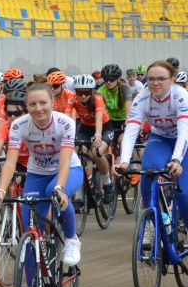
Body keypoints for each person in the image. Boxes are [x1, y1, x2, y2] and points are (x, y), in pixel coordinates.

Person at [0, 82, 84, 281]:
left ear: (52, 102)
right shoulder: (19, 125)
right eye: (32, 104)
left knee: (54, 190)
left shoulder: (64, 123)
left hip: (69, 169)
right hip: (37, 174)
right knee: (29, 234)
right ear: (26, 106)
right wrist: (0, 190)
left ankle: (71, 239)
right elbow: (10, 163)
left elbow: (65, 160)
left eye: (43, 102)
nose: (38, 108)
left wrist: (60, 187)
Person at [116, 59, 188, 231]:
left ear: (172, 79)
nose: (155, 83)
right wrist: (125, 161)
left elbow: (184, 131)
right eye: (151, 79)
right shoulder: (142, 97)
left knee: (183, 192)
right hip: (160, 138)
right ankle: (150, 222)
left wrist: (177, 159)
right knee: (148, 170)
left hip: (184, 139)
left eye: (161, 79)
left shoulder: (181, 95)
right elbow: (131, 130)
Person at [64, 73, 114, 195]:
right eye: (80, 93)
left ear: (92, 90)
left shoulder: (97, 98)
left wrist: (98, 134)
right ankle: (82, 187)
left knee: (96, 152)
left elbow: (98, 119)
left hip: (104, 128)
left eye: (86, 92)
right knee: (77, 154)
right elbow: (66, 117)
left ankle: (108, 183)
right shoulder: (72, 98)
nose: (83, 96)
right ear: (75, 91)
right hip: (85, 129)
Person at [0, 81, 30, 177]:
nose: (12, 117)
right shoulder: (6, 122)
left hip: (36, 164)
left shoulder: (34, 123)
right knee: (11, 179)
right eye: (9, 113)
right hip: (16, 161)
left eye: (17, 113)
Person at [97, 63, 131, 151]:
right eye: (106, 79)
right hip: (110, 121)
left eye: (111, 79)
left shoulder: (125, 88)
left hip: (125, 121)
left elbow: (129, 107)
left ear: (118, 79)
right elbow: (99, 109)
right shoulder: (101, 90)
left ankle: (130, 164)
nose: (108, 82)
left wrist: (127, 122)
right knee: (106, 145)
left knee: (122, 142)